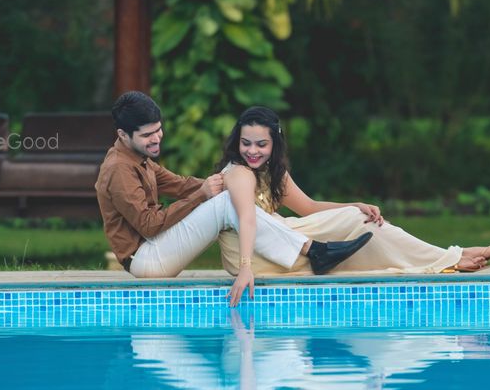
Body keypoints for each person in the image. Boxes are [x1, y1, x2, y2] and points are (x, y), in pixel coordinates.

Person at [216, 107, 490, 301]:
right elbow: (247, 220)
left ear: (274, 145)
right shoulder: (237, 172)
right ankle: (452, 258)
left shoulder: (271, 171)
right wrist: (245, 268)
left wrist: (354, 205)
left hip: (285, 236)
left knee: (361, 220)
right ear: (237, 142)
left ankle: (450, 256)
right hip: (258, 253)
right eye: (246, 143)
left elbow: (307, 207)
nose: (252, 151)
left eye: (261, 144)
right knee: (360, 235)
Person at [95, 92, 372, 295]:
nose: (156, 139)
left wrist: (228, 180)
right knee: (225, 202)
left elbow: (180, 184)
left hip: (158, 252)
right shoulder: (119, 169)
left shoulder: (137, 157)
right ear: (123, 134)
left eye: (158, 130)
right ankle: (314, 250)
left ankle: (314, 250)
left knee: (227, 198)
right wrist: (204, 194)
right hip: (146, 260)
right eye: (147, 136)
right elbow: (149, 225)